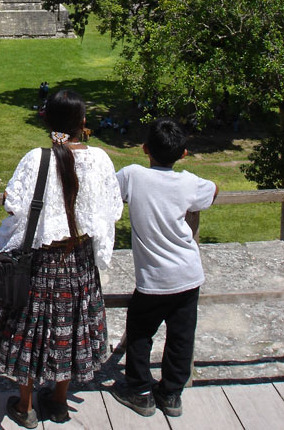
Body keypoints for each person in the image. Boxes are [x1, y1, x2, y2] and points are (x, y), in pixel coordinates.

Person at [0, 89, 123, 428]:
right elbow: (113, 209)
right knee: (71, 330)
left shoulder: (37, 159)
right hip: (77, 260)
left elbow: (13, 204)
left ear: (47, 120)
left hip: (41, 261)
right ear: (83, 122)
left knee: (31, 332)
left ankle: (25, 405)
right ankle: (60, 401)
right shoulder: (101, 159)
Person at [114, 117, 219, 418]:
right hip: (188, 274)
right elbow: (212, 191)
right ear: (183, 154)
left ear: (145, 149)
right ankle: (172, 393)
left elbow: (111, 191)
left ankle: (140, 390)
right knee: (181, 336)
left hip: (153, 279)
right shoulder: (188, 182)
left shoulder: (133, 176)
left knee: (139, 334)